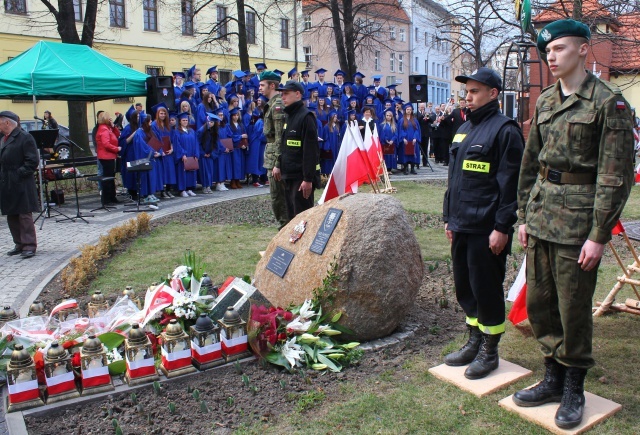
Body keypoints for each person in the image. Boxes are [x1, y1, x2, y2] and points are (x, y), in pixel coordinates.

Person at [514, 19, 634, 429]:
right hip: (542, 213)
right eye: (548, 50)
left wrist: (599, 235)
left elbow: (614, 175)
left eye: (560, 48)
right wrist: (523, 216)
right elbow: (531, 163)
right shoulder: (545, 100)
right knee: (540, 303)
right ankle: (551, 376)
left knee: (573, 306)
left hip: (579, 222)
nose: (552, 55)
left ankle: (573, 386)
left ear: (584, 49)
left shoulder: (608, 102)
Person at [442, 67, 524, 380]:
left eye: (474, 91)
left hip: (487, 230)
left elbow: (510, 185)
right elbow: (455, 179)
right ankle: (474, 340)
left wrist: (502, 227)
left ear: (493, 94)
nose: (468, 97)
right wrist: (449, 218)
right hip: (462, 224)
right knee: (466, 288)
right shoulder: (464, 129)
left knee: (486, 289)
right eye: (467, 91)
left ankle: (490, 350)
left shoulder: (505, 130)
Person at [279, 80, 320, 221]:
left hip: (301, 179)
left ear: (297, 94)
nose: (283, 97)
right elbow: (285, 145)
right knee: (292, 219)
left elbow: (311, 151)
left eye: (286, 94)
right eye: (282, 94)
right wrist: (278, 165)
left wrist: (308, 179)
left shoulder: (306, 117)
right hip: (289, 175)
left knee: (302, 220)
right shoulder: (289, 116)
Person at [0, 111, 38, 258]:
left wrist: (18, 174)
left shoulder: (24, 137)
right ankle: (19, 244)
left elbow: (32, 161)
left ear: (7, 123)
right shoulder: (3, 138)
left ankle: (29, 245)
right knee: (12, 214)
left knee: (24, 214)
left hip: (21, 182)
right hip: (6, 182)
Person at [259, 70, 289, 228]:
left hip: (275, 158)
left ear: (272, 85)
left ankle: (285, 227)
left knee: (278, 196)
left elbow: (279, 137)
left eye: (262, 85)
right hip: (270, 155)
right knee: (276, 196)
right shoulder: (271, 104)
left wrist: (277, 162)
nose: (260, 88)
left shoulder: (277, 105)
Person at [95, 111, 122, 205]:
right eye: (109, 117)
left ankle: (112, 197)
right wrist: (116, 149)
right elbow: (106, 144)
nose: (110, 118)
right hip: (106, 156)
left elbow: (118, 134)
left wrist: (113, 125)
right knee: (107, 178)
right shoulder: (104, 130)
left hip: (109, 156)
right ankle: (107, 199)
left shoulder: (108, 128)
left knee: (110, 177)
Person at [174, 112, 199, 197]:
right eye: (183, 120)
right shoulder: (177, 132)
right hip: (183, 156)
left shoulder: (191, 131)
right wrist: (182, 154)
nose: (185, 122)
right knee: (182, 172)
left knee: (191, 172)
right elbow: (177, 144)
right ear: (180, 121)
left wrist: (196, 154)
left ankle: (189, 189)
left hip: (191, 155)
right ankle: (182, 190)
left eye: (186, 120)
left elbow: (196, 143)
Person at [397, 103, 421, 175]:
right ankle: (405, 168)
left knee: (413, 153)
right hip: (405, 141)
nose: (409, 111)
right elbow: (400, 130)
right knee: (405, 154)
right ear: (405, 110)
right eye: (407, 109)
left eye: (410, 110)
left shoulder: (414, 120)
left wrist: (415, 138)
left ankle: (412, 168)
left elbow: (417, 130)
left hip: (413, 141)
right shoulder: (401, 120)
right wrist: (403, 138)